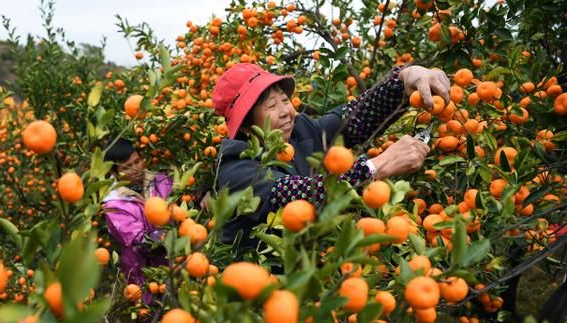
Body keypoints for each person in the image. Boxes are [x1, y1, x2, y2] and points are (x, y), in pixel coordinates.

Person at [212, 63, 451, 247]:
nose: (287, 112)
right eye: (272, 107)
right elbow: (297, 195)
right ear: (245, 126)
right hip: (268, 290)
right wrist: (377, 167)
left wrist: (403, 80)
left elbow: (354, 118)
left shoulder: (301, 130)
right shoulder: (235, 168)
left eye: (285, 100)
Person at [102, 138, 172, 305]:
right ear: (115, 173)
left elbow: (186, 202)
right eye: (127, 166)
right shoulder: (114, 204)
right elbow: (140, 241)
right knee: (152, 318)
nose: (136, 169)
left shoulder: (161, 181)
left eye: (137, 161)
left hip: (176, 265)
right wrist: (171, 236)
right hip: (144, 275)